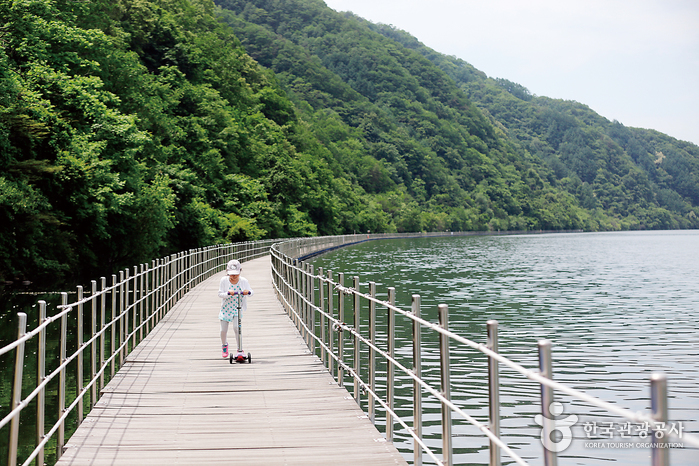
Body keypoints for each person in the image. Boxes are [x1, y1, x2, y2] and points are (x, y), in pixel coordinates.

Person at [217, 259, 253, 358]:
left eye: (236, 274)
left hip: (237, 308)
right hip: (226, 309)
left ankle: (239, 348)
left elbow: (251, 292)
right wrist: (228, 293)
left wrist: (247, 292)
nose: (233, 276)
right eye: (231, 274)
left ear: (240, 272)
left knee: (237, 328)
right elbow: (220, 294)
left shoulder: (243, 281)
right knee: (223, 330)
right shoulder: (224, 280)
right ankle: (224, 345)